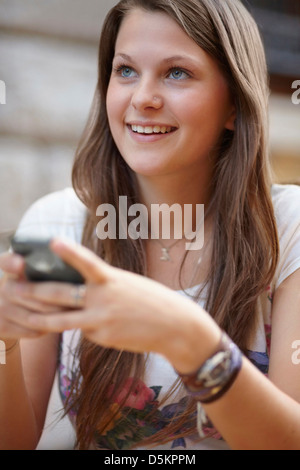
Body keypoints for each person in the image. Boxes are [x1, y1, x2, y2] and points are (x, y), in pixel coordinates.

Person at [0, 0, 300, 451]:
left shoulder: (289, 225)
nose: (143, 97)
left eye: (177, 72)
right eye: (125, 71)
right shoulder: (54, 225)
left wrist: (190, 339)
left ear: (235, 105)